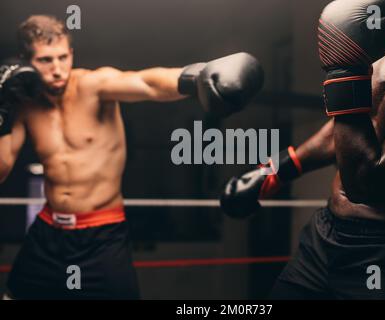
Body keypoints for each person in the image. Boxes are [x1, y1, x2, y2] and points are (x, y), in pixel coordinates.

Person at [0, 15, 264, 299]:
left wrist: (196, 76)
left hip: (102, 235)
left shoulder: (93, 86)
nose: (57, 69)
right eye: (45, 60)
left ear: (72, 54)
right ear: (27, 62)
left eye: (63, 57)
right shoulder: (24, 105)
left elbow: (146, 83)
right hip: (48, 231)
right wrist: (2, 110)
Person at [221, 0, 385, 299]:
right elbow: (357, 124)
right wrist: (275, 170)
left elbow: (364, 182)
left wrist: (342, 72)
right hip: (324, 236)